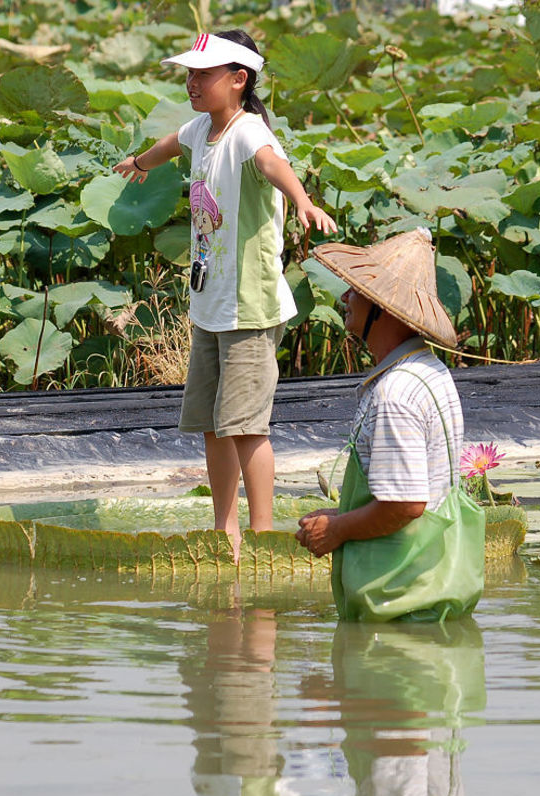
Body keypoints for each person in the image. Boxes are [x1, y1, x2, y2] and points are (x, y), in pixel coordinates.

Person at [113, 30, 336, 558]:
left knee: (247, 428)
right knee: (214, 426)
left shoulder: (247, 130)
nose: (192, 83)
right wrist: (140, 163)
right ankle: (224, 531)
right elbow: (173, 142)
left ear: (239, 79)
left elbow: (271, 163)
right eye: (189, 74)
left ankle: (261, 537)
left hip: (248, 306)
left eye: (203, 75)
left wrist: (302, 200)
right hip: (210, 305)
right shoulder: (201, 129)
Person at [295, 229, 485, 622]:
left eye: (357, 291)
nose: (345, 298)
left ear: (382, 309)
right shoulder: (432, 372)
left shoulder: (394, 394)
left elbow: (405, 505)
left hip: (399, 605)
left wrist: (337, 530)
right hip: (432, 592)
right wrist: (340, 515)